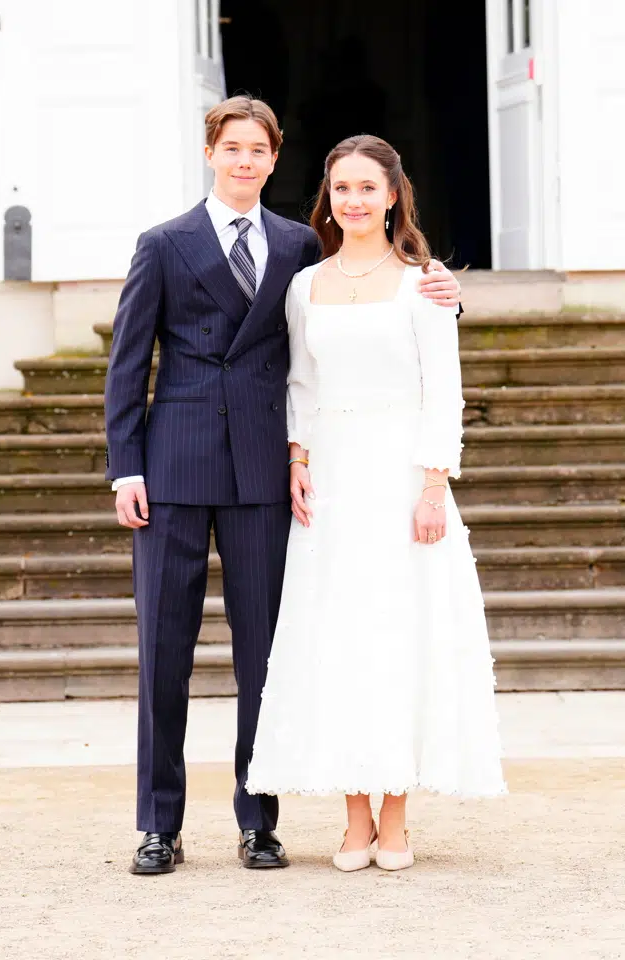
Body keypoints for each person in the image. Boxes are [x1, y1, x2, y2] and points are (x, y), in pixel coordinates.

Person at [103, 97, 462, 875]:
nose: (243, 161)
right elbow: (128, 364)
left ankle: (257, 821)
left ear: (273, 160)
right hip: (173, 468)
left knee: (264, 655)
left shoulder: (301, 246)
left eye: (257, 151)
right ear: (210, 153)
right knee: (164, 651)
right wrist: (124, 466)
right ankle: (158, 825)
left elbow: (367, 293)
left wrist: (452, 295)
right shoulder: (163, 244)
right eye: (230, 147)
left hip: (267, 471)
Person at [244, 135, 506, 873]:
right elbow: (300, 382)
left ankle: (395, 816)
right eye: (342, 188)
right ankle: (352, 818)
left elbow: (441, 390)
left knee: (398, 638)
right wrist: (297, 458)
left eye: (368, 187)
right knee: (340, 642)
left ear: (394, 195)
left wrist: (433, 485)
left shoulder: (423, 282)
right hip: (332, 482)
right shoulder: (305, 286)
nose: (354, 201)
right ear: (328, 197)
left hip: (399, 477)